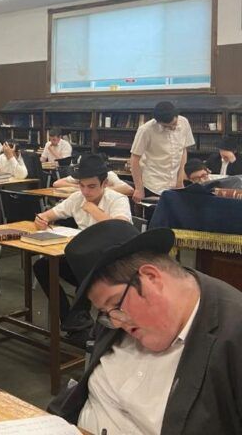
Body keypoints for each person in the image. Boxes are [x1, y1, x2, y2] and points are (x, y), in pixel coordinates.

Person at [49, 219, 242, 434]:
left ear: (151, 277)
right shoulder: (118, 315)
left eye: (115, 304)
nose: (115, 322)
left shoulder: (233, 334)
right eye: (104, 312)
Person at [33, 155, 132, 339]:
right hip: (83, 260)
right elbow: (48, 215)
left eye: (92, 186)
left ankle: (78, 323)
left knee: (85, 269)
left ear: (104, 184)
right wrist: (42, 219)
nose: (86, 191)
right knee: (42, 266)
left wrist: (94, 210)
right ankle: (70, 320)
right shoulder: (77, 198)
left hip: (111, 265)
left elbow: (121, 229)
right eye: (82, 185)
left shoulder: (117, 199)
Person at [130, 101, 195, 203]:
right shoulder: (146, 130)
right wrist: (139, 188)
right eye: (166, 126)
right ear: (158, 122)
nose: (172, 128)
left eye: (174, 123)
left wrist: (180, 180)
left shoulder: (184, 122)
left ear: (177, 115)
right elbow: (135, 159)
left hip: (175, 185)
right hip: (153, 185)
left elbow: (183, 151)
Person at [52, 161, 134, 196]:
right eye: (82, 185)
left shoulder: (109, 175)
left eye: (91, 186)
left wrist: (98, 190)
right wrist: (79, 187)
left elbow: (129, 189)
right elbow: (56, 183)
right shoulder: (81, 174)